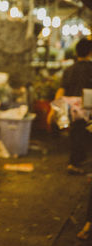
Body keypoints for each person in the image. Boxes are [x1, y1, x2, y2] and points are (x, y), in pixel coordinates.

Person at [49, 38, 92, 175]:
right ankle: (76, 162)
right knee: (83, 135)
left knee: (76, 134)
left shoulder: (69, 70)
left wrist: (53, 110)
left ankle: (76, 161)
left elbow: (61, 90)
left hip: (72, 109)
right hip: (88, 106)